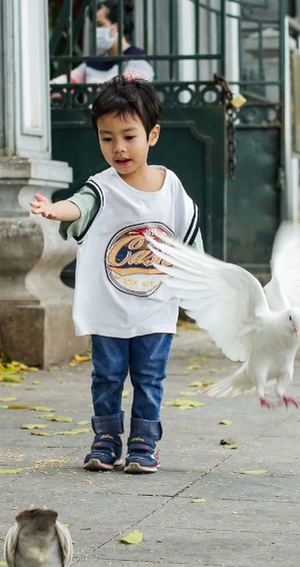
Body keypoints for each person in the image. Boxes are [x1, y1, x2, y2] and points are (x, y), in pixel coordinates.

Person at [29, 76, 201, 474]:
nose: (119, 148)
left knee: (149, 377)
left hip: (155, 307)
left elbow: (192, 241)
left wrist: (200, 291)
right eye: (107, 139)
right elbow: (80, 205)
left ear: (152, 134)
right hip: (108, 308)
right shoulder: (101, 187)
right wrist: (57, 209)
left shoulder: (170, 187)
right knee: (106, 377)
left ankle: (144, 443)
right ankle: (105, 440)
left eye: (129, 136)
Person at [51, 0, 153, 85]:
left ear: (117, 27)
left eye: (100, 25)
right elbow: (62, 84)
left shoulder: (138, 60)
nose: (96, 31)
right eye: (94, 26)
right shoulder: (93, 63)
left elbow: (129, 95)